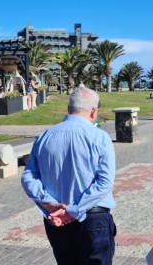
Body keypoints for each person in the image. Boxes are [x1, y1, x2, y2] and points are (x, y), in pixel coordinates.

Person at [21, 87, 116, 265]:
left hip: (56, 221)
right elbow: (104, 182)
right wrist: (73, 210)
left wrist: (48, 203)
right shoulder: (100, 138)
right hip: (92, 220)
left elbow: (28, 177)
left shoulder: (44, 137)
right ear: (94, 110)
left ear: (69, 108)